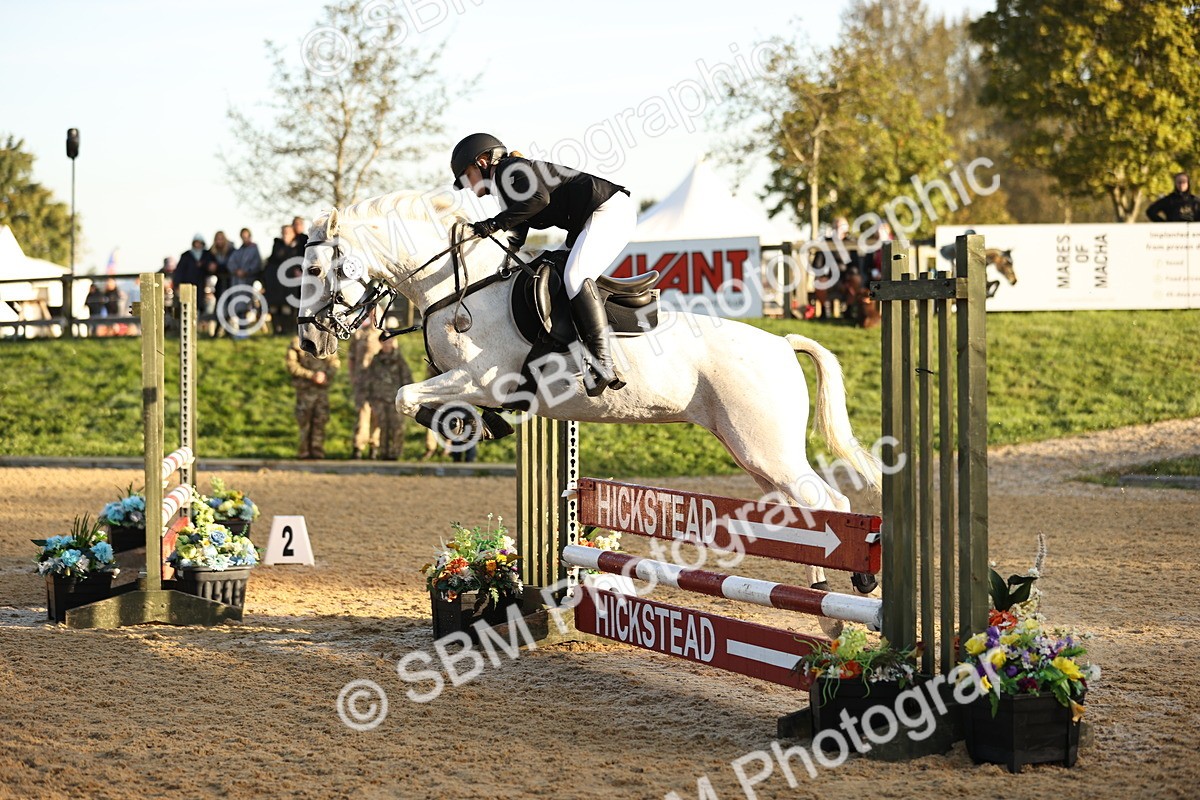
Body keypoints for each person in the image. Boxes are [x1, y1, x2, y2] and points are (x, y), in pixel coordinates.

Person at [451, 133, 634, 396]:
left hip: (608, 212)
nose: (467, 186)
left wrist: (492, 224)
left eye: (466, 176)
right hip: (589, 219)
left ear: (481, 162)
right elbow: (519, 229)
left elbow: (538, 201)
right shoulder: (506, 183)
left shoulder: (509, 170)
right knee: (550, 274)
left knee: (574, 277)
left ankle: (602, 363)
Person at [286, 336, 340, 459]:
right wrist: (311, 375)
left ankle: (318, 452)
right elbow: (291, 365)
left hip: (321, 390)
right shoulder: (297, 342)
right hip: (305, 390)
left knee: (320, 420)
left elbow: (335, 362)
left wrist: (325, 375)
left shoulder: (327, 339)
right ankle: (303, 452)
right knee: (304, 421)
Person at [362, 337, 414, 460]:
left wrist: (408, 398)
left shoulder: (399, 360)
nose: (387, 344)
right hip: (379, 400)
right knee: (382, 427)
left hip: (395, 401)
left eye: (390, 341)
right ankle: (383, 453)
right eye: (385, 342)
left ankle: (395, 454)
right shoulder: (376, 359)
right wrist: (370, 398)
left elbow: (407, 380)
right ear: (380, 343)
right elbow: (369, 379)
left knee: (397, 428)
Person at [348, 313, 383, 458]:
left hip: (379, 382)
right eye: (372, 314)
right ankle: (358, 447)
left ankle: (374, 446)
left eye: (377, 314)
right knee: (362, 413)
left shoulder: (386, 336)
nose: (374, 317)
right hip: (362, 381)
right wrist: (352, 376)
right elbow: (351, 358)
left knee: (377, 415)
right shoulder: (359, 335)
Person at [263, 224, 304, 335]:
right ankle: (277, 330)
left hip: (290, 283)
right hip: (275, 282)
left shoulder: (299, 246)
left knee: (288, 307)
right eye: (284, 232)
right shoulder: (277, 244)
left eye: (288, 232)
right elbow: (276, 257)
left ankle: (288, 330)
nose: (285, 234)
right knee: (275, 307)